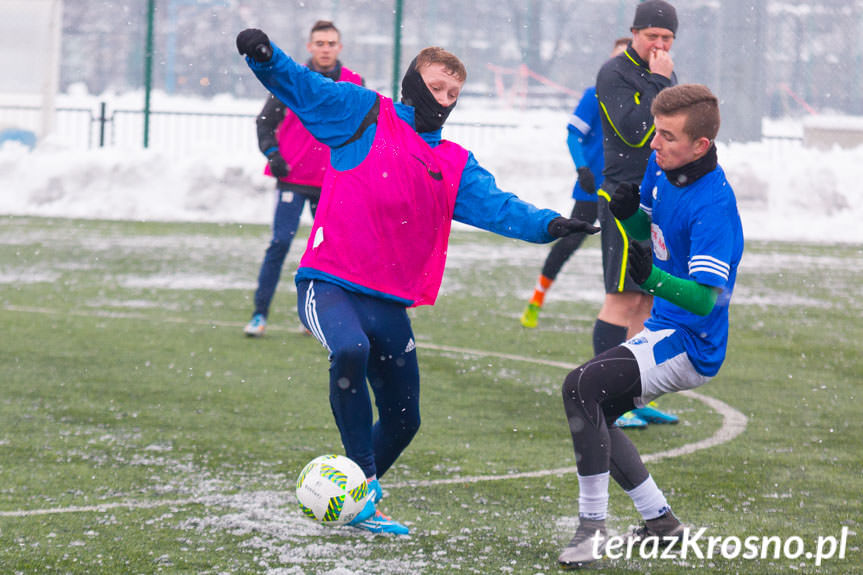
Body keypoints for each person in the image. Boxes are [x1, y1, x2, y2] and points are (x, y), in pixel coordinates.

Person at [236, 29, 599, 535]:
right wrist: (265, 56)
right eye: (436, 87)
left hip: (387, 301)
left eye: (453, 94)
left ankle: (356, 496)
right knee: (349, 351)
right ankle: (360, 484)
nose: (443, 100)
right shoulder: (364, 114)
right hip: (329, 283)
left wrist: (548, 225)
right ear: (412, 83)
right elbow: (301, 86)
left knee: (406, 420)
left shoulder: (451, 162)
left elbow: (498, 207)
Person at [556, 83, 744, 569]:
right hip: (665, 328)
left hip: (691, 341)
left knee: (580, 388)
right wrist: (626, 215)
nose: (653, 145)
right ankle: (661, 523)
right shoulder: (663, 169)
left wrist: (653, 278)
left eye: (667, 137)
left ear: (700, 146)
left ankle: (591, 528)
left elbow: (705, 299)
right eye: (655, 133)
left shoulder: (714, 206)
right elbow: (648, 228)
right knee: (592, 406)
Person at [589, 0, 680, 427]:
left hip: (657, 196)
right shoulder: (615, 73)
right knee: (621, 297)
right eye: (652, 37)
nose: (659, 45)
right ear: (635, 33)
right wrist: (660, 83)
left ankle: (633, 395)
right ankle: (602, 397)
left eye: (667, 39)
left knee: (647, 297)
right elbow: (639, 130)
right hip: (624, 197)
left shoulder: (664, 74)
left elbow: (676, 132)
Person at [243, 20, 363, 337]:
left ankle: (315, 317)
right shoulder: (291, 79)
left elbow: (364, 131)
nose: (325, 49)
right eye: (320, 43)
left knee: (328, 253)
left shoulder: (354, 82)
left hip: (332, 185)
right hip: (293, 180)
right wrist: (273, 155)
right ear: (310, 47)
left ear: (340, 47)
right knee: (280, 243)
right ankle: (259, 315)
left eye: (331, 43)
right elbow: (264, 124)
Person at [520, 37, 628, 329]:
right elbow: (573, 135)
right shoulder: (594, 96)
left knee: (627, 250)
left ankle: (626, 312)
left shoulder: (638, 101)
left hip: (625, 190)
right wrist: (583, 169)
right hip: (592, 189)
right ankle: (536, 300)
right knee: (569, 242)